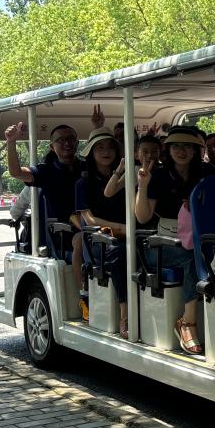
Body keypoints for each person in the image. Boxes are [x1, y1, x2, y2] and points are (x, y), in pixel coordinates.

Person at [135, 126, 206, 355]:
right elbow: (143, 217)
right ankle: (187, 322)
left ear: (195, 150)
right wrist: (143, 186)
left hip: (198, 238)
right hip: (162, 244)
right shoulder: (158, 175)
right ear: (168, 149)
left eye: (187, 146)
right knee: (192, 258)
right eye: (176, 146)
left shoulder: (205, 173)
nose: (181, 151)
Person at [4, 121, 85, 310]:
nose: (67, 143)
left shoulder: (87, 166)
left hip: (92, 225)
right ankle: (83, 296)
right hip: (62, 236)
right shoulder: (46, 171)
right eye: (61, 140)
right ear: (51, 146)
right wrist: (11, 142)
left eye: (71, 139)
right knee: (81, 241)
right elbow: (16, 172)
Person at [75, 128, 131, 337]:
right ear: (91, 153)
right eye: (99, 148)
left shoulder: (126, 178)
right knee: (119, 252)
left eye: (110, 147)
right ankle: (125, 315)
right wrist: (121, 228)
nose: (106, 152)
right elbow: (89, 220)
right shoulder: (83, 183)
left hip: (130, 234)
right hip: (100, 240)